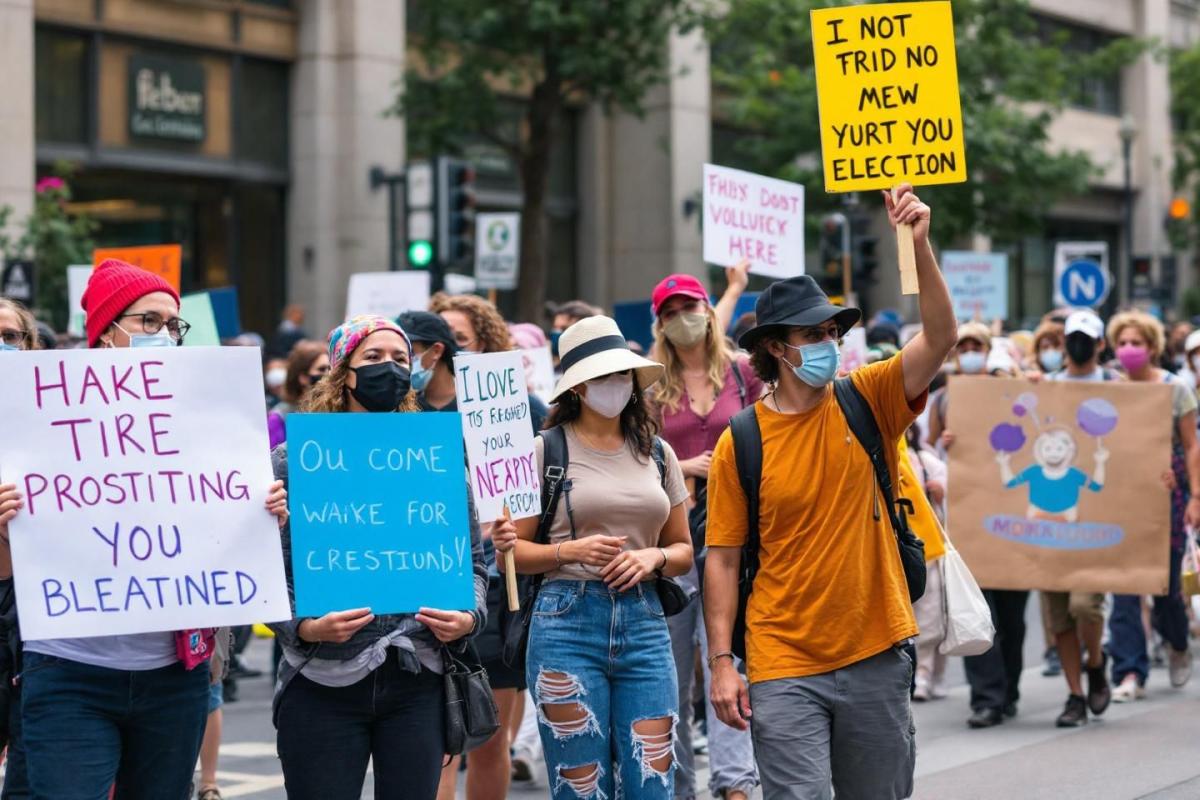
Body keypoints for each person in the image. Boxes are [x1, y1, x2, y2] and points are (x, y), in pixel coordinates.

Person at [0, 258, 289, 798]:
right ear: (106, 331)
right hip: (68, 671)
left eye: (173, 325)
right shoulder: (42, 419)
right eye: (148, 322)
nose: (166, 336)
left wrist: (259, 511)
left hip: (172, 678)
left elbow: (222, 530)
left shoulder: (209, 416)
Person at [704, 184, 956, 799]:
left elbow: (941, 336)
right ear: (773, 348)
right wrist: (721, 663)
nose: (827, 345)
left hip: (876, 646)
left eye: (831, 333)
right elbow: (724, 556)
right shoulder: (741, 440)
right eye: (811, 335)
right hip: (782, 659)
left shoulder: (867, 396)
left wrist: (919, 244)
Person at [269, 314, 492, 799]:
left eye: (399, 359)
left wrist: (468, 616)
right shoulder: (292, 462)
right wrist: (305, 627)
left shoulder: (436, 457)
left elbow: (474, 563)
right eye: (373, 358)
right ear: (342, 372)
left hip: (418, 680)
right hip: (321, 683)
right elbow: (264, 575)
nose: (388, 368)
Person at [494, 315, 694, 799]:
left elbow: (684, 549)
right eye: (604, 376)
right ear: (578, 388)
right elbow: (510, 554)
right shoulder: (542, 450)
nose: (616, 385)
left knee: (653, 782)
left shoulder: (659, 453)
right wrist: (569, 550)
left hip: (645, 621)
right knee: (579, 785)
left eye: (623, 374)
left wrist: (653, 560)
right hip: (564, 622)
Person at [647, 269, 760, 800]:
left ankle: (735, 785)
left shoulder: (743, 375)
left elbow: (771, 437)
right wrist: (684, 465)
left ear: (708, 312)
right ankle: (678, 788)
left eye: (688, 307)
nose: (681, 320)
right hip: (670, 543)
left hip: (734, 538)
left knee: (726, 661)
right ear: (660, 325)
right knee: (669, 676)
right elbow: (636, 460)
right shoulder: (648, 386)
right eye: (669, 313)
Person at [423, 298, 541, 800]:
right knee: (433, 742)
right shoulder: (396, 412)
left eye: (459, 339)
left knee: (488, 739)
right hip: (423, 582)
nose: (443, 351)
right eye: (434, 342)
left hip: (494, 587)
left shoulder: (515, 411)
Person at [1106, 310, 1200, 700]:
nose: (1129, 349)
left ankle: (1177, 643)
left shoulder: (1175, 388)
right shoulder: (1111, 388)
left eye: (1137, 343)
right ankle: (1129, 671)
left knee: (1165, 586)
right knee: (1124, 585)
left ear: (1152, 347)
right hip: (1122, 495)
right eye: (1123, 343)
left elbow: (1192, 445)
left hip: (1169, 495)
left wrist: (1195, 496)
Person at [1031, 309, 1116, 726]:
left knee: (1086, 604)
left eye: (1087, 337)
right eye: (1072, 337)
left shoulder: (1120, 390)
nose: (1077, 344)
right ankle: (1075, 693)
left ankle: (1096, 662)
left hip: (1095, 523)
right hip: (1050, 523)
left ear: (1101, 344)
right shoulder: (1046, 386)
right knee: (1059, 613)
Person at [904, 423, 949, 702]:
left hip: (927, 549)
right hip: (890, 550)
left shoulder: (926, 461)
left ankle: (924, 674)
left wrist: (939, 493)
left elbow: (953, 505)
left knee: (930, 614)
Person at [267, 340, 329, 449]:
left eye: (330, 369)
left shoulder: (335, 412)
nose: (329, 375)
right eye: (322, 369)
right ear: (303, 377)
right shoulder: (279, 418)